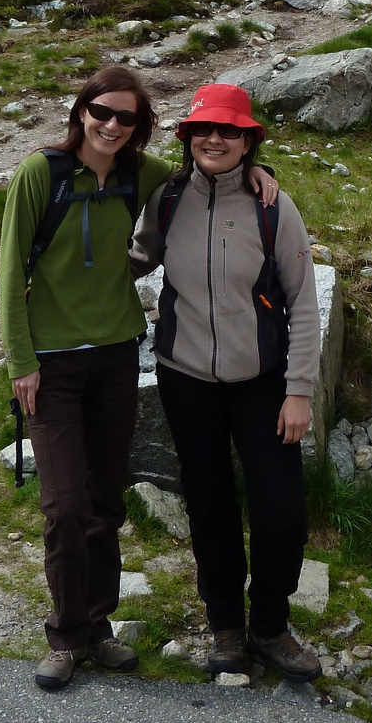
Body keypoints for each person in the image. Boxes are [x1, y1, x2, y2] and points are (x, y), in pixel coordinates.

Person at [0, 67, 277, 691]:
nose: (111, 125)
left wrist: (261, 173)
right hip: (52, 363)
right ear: (81, 110)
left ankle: (97, 629)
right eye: (102, 111)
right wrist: (21, 363)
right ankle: (66, 635)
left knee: (104, 500)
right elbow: (10, 272)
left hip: (120, 353)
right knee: (65, 505)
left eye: (127, 118)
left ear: (141, 128)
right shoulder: (39, 174)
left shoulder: (140, 174)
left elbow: (206, 176)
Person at [128, 83, 322, 682]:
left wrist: (299, 390)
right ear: (188, 138)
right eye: (203, 131)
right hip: (186, 379)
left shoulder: (272, 206)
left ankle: (270, 625)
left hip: (262, 382)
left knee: (281, 511)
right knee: (209, 506)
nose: (215, 139)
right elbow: (135, 261)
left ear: (247, 141)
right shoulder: (167, 198)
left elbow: (303, 302)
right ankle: (227, 630)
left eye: (229, 131)